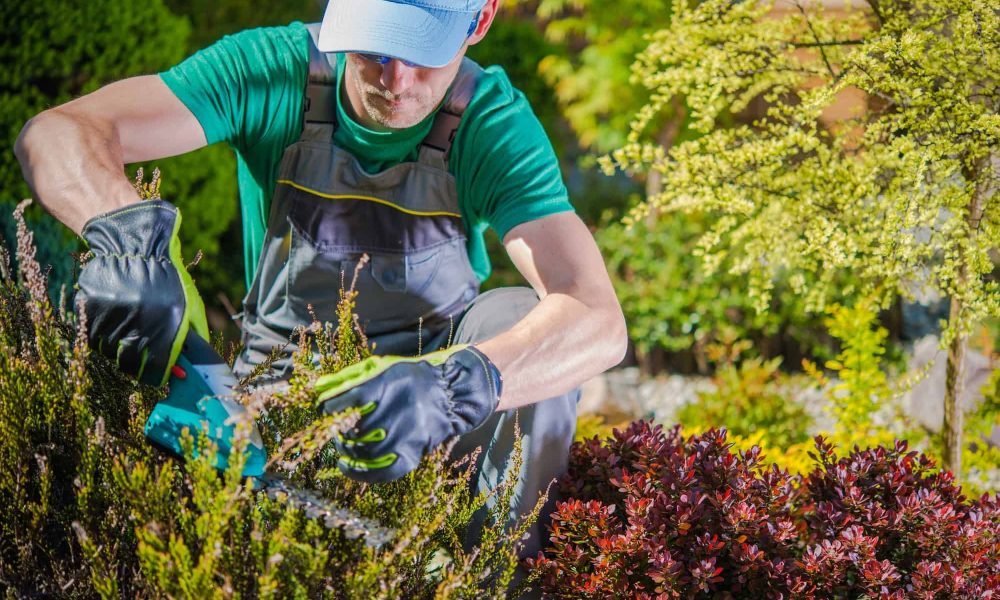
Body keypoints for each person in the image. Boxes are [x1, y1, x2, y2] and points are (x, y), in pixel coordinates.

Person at [15, 0, 627, 590]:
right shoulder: (274, 69)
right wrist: (126, 237)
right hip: (279, 389)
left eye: (422, 53)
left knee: (519, 313)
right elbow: (57, 132)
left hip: (430, 409)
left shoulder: (492, 123)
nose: (395, 79)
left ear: (481, 20)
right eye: (375, 46)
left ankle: (500, 582)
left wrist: (452, 386)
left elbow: (596, 319)